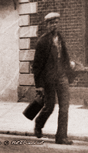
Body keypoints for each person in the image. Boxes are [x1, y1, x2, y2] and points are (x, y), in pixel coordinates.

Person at [32, 12, 75, 145]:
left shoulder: (60, 38)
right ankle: (39, 123)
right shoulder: (42, 41)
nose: (54, 25)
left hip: (62, 77)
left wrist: (69, 67)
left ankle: (61, 137)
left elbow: (64, 56)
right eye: (51, 23)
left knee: (64, 107)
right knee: (49, 107)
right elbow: (37, 65)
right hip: (49, 80)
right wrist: (39, 85)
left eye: (56, 22)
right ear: (47, 25)